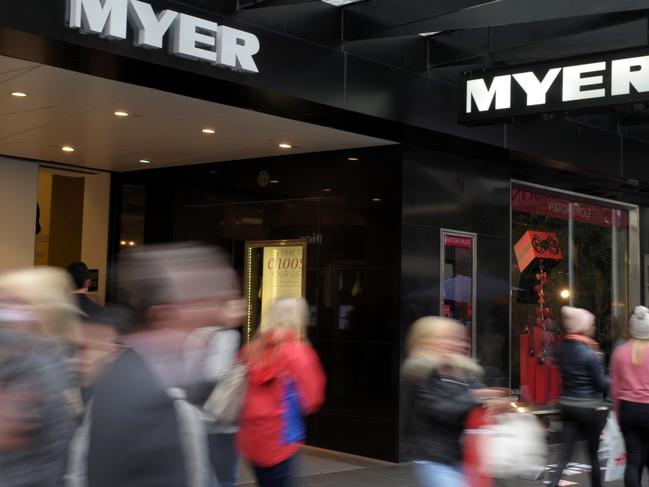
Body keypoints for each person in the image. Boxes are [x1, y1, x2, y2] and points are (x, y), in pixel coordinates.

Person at [86, 243, 244, 487]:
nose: (220, 314)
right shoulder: (156, 397)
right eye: (212, 301)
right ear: (169, 311)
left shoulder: (125, 370)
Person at [0, 267, 82, 487]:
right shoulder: (52, 356)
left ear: (40, 312)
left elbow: (6, 432)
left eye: (14, 303)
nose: (5, 312)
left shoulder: (33, 368)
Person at [401, 316, 500, 487]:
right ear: (426, 341)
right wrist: (476, 397)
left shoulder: (464, 371)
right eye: (445, 337)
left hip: (465, 457)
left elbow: (481, 396)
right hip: (434, 458)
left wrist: (495, 402)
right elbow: (439, 409)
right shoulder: (419, 372)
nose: (455, 343)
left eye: (456, 338)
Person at [237, 297, 326, 487]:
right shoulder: (298, 352)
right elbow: (312, 399)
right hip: (282, 437)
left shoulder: (251, 349)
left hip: (252, 436)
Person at [550, 306, 609, 487]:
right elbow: (600, 383)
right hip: (587, 407)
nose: (592, 329)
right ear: (582, 327)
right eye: (590, 325)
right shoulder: (590, 354)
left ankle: (553, 484)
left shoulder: (562, 350)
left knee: (564, 456)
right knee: (593, 456)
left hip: (567, 405)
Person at [611, 305, 649, 487]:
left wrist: (618, 414)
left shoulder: (620, 352)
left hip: (627, 409)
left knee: (633, 461)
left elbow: (615, 387)